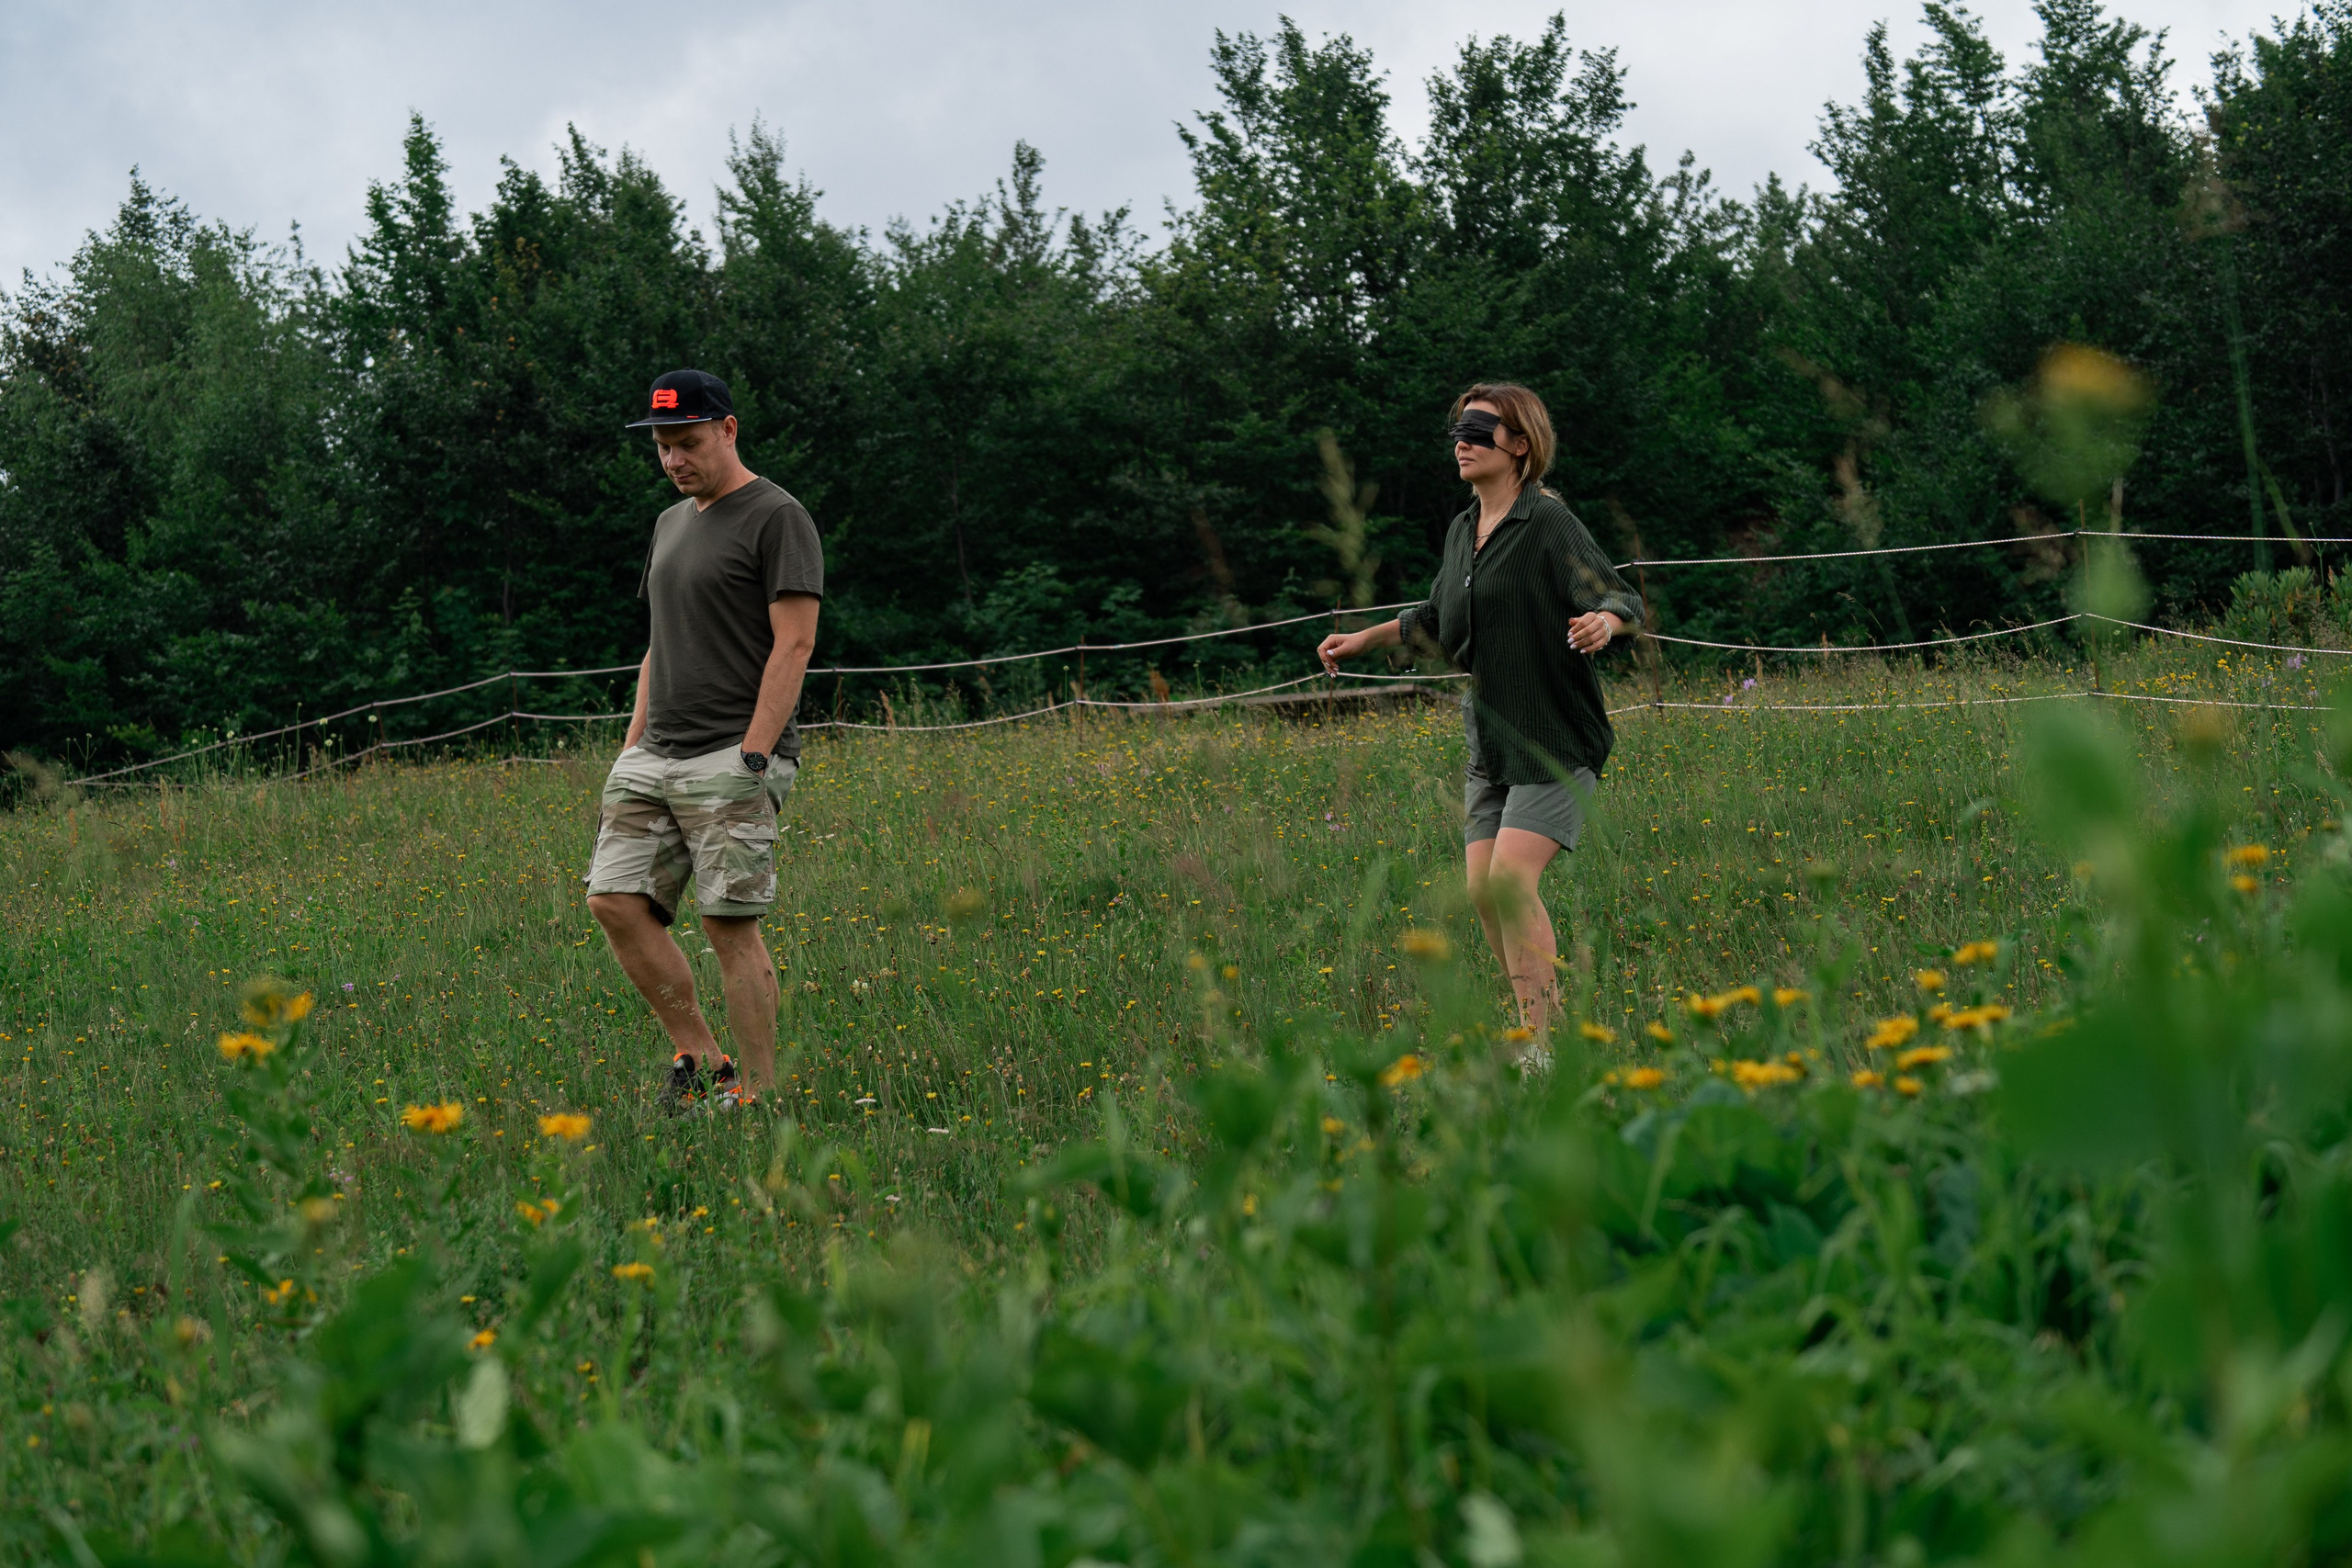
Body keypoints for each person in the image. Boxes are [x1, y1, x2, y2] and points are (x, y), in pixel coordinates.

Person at [1317, 383, 1642, 1032]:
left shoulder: (1546, 522)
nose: (1462, 443)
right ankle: (1540, 1022)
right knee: (1483, 892)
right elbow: (1438, 618)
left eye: (1478, 431)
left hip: (1553, 733)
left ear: (1520, 444)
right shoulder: (1464, 529)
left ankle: (1543, 1042)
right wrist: (1364, 639)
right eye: (1457, 433)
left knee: (1510, 883)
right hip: (1490, 740)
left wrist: (1603, 623)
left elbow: (1621, 598)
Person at [585, 369, 822, 1113]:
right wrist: (632, 743)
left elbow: (795, 642)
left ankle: (760, 1094)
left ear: (728, 429)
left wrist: (756, 752)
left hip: (731, 752)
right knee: (613, 900)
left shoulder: (777, 516)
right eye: (662, 447)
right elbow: (659, 642)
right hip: (654, 753)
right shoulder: (669, 522)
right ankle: (706, 1061)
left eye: (687, 443)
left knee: (728, 924)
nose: (673, 460)